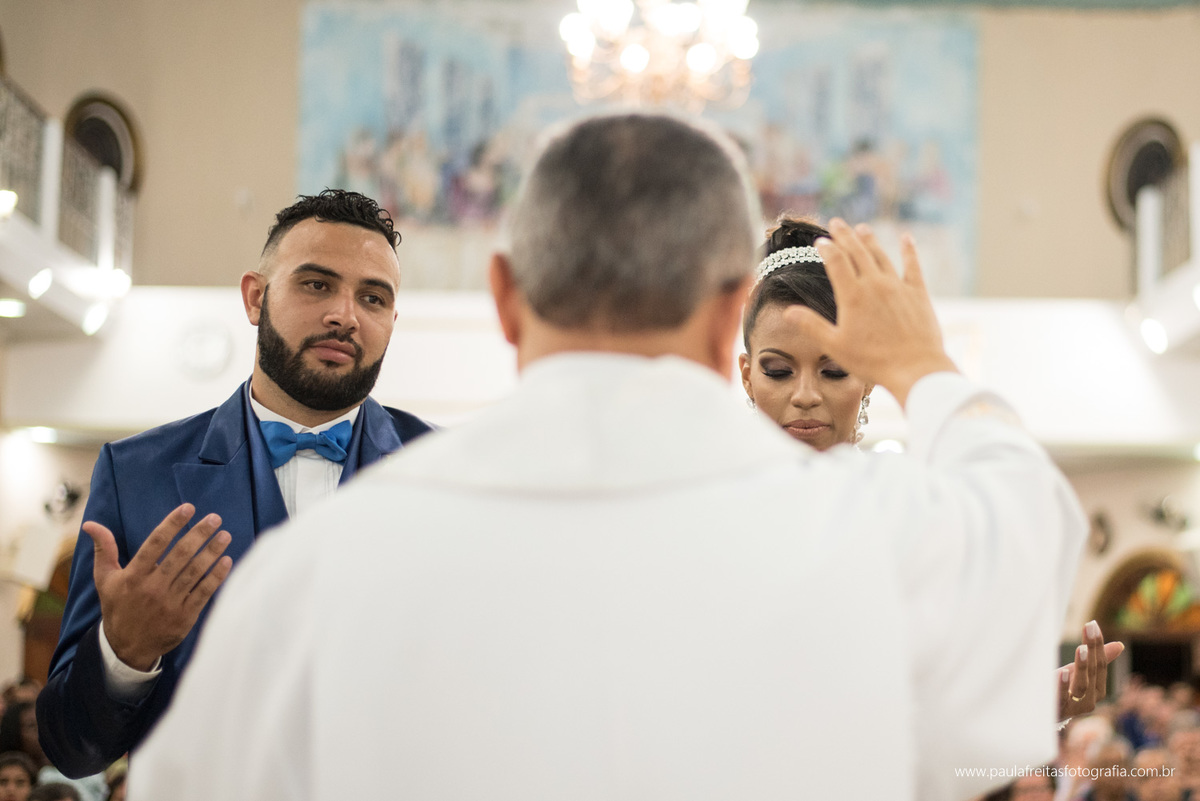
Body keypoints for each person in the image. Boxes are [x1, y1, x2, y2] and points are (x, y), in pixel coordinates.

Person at [129, 112, 1085, 801]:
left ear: (503, 297)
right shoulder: (876, 534)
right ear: (729, 324)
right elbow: (1024, 510)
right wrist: (917, 358)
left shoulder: (312, 571)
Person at [37, 189, 434, 778]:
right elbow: (73, 748)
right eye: (317, 284)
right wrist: (125, 654)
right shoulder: (137, 475)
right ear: (255, 297)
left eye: (372, 298)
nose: (345, 315)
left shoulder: (448, 475)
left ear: (391, 322)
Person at [742, 216, 1122, 716]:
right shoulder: (701, 515)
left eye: (834, 370)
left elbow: (927, 721)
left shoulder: (898, 512)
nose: (806, 395)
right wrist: (923, 365)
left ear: (868, 381)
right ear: (747, 376)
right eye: (778, 370)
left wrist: (1033, 709)